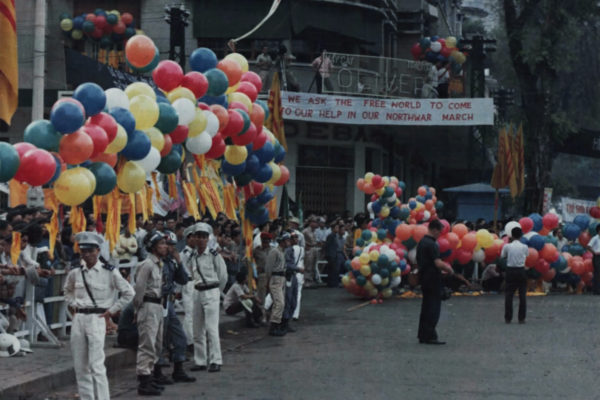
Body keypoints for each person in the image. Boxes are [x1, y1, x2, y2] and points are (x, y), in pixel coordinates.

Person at [63, 231, 135, 400]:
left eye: (90, 250)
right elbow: (67, 291)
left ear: (98, 251)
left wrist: (112, 310)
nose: (87, 254)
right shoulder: (75, 272)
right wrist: (73, 304)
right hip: (79, 318)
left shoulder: (109, 272)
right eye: (83, 251)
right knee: (80, 366)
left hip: (98, 318)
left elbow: (128, 293)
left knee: (96, 364)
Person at [187, 222, 227, 373]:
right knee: (197, 329)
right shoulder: (193, 256)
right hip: (197, 291)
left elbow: (223, 275)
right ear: (195, 238)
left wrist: (216, 291)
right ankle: (200, 360)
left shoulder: (213, 255)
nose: (201, 239)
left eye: (204, 237)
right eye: (198, 236)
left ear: (208, 238)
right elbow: (191, 273)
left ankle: (216, 360)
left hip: (211, 291)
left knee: (211, 328)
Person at [134, 231, 170, 396]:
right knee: (147, 344)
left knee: (156, 343)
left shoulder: (159, 264)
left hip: (157, 306)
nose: (165, 247)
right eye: (161, 244)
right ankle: (144, 380)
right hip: (148, 305)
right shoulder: (147, 264)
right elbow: (140, 289)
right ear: (154, 247)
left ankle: (151, 377)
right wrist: (138, 310)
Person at [160, 230, 196, 383]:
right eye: (167, 245)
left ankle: (178, 369)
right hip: (158, 303)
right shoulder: (156, 262)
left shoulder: (171, 261)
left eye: (172, 245)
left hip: (170, 303)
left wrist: (179, 262)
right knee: (160, 339)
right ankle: (158, 373)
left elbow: (183, 280)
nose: (170, 248)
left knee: (179, 336)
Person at [417, 219, 454, 345]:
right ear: (434, 230)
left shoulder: (422, 242)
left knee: (426, 307)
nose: (440, 235)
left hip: (424, 278)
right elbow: (437, 262)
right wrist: (449, 269)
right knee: (433, 308)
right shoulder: (432, 244)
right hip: (432, 278)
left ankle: (423, 335)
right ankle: (430, 335)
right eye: (439, 232)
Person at [500, 227, 529, 323]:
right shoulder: (524, 246)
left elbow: (503, 256)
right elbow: (527, 255)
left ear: (511, 236)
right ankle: (521, 318)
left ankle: (508, 318)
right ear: (521, 235)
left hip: (510, 270)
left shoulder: (507, 246)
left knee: (509, 295)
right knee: (522, 295)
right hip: (521, 270)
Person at [265, 233, 290, 336]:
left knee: (280, 303)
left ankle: (278, 324)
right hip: (275, 278)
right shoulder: (274, 251)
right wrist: (268, 281)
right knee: (279, 303)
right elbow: (268, 268)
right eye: (287, 240)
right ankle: (273, 326)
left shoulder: (282, 252)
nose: (288, 242)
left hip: (281, 278)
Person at [253, 232, 273, 322]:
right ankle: (263, 316)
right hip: (262, 275)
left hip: (272, 275)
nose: (266, 243)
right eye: (264, 241)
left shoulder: (273, 250)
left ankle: (271, 315)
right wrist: (254, 271)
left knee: (273, 296)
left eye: (267, 241)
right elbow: (247, 260)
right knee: (261, 296)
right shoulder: (257, 250)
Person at [302, 218, 319, 287]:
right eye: (314, 222)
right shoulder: (305, 231)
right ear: (310, 222)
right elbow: (302, 240)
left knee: (313, 265)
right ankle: (306, 281)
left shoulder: (314, 231)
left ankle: (311, 280)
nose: (315, 224)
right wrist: (306, 246)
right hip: (308, 249)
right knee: (308, 265)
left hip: (314, 248)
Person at [587, 224, 600, 295]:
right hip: (597, 257)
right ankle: (596, 290)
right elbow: (589, 246)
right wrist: (594, 252)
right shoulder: (595, 238)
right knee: (597, 273)